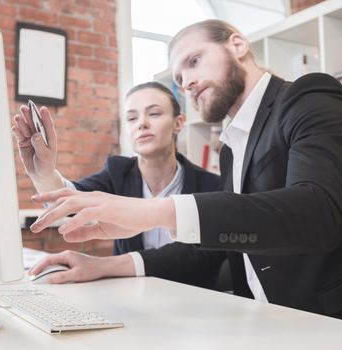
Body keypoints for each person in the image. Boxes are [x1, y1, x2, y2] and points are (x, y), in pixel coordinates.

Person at [29, 19, 342, 330]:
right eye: (179, 80)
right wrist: (101, 266)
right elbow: (216, 243)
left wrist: (154, 212)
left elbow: (317, 214)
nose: (188, 83)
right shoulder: (232, 146)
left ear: (237, 45)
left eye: (194, 61)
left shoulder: (310, 96)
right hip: (268, 323)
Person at [12, 81, 225, 289]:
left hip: (192, 301)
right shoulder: (117, 172)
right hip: (129, 299)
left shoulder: (211, 186)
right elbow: (74, 203)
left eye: (154, 114)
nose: (142, 123)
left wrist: (102, 266)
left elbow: (201, 257)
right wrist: (44, 173)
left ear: (178, 123)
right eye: (132, 118)